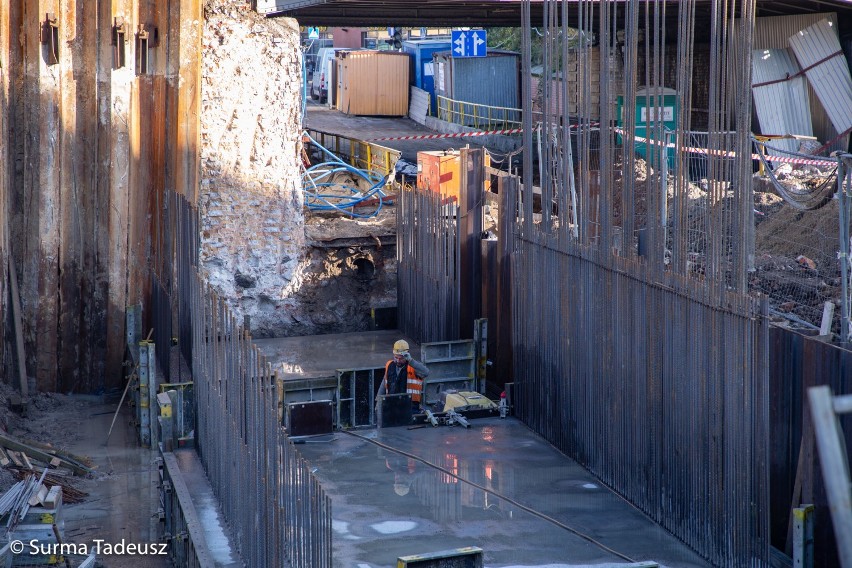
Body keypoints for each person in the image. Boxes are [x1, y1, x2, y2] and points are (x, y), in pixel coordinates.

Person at [376, 339, 430, 415]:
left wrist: (411, 361)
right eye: (396, 357)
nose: (398, 360)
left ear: (406, 355)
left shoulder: (413, 366)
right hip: (392, 406)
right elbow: (384, 385)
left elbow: (426, 372)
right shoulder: (389, 365)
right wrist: (378, 403)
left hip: (410, 408)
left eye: (401, 358)